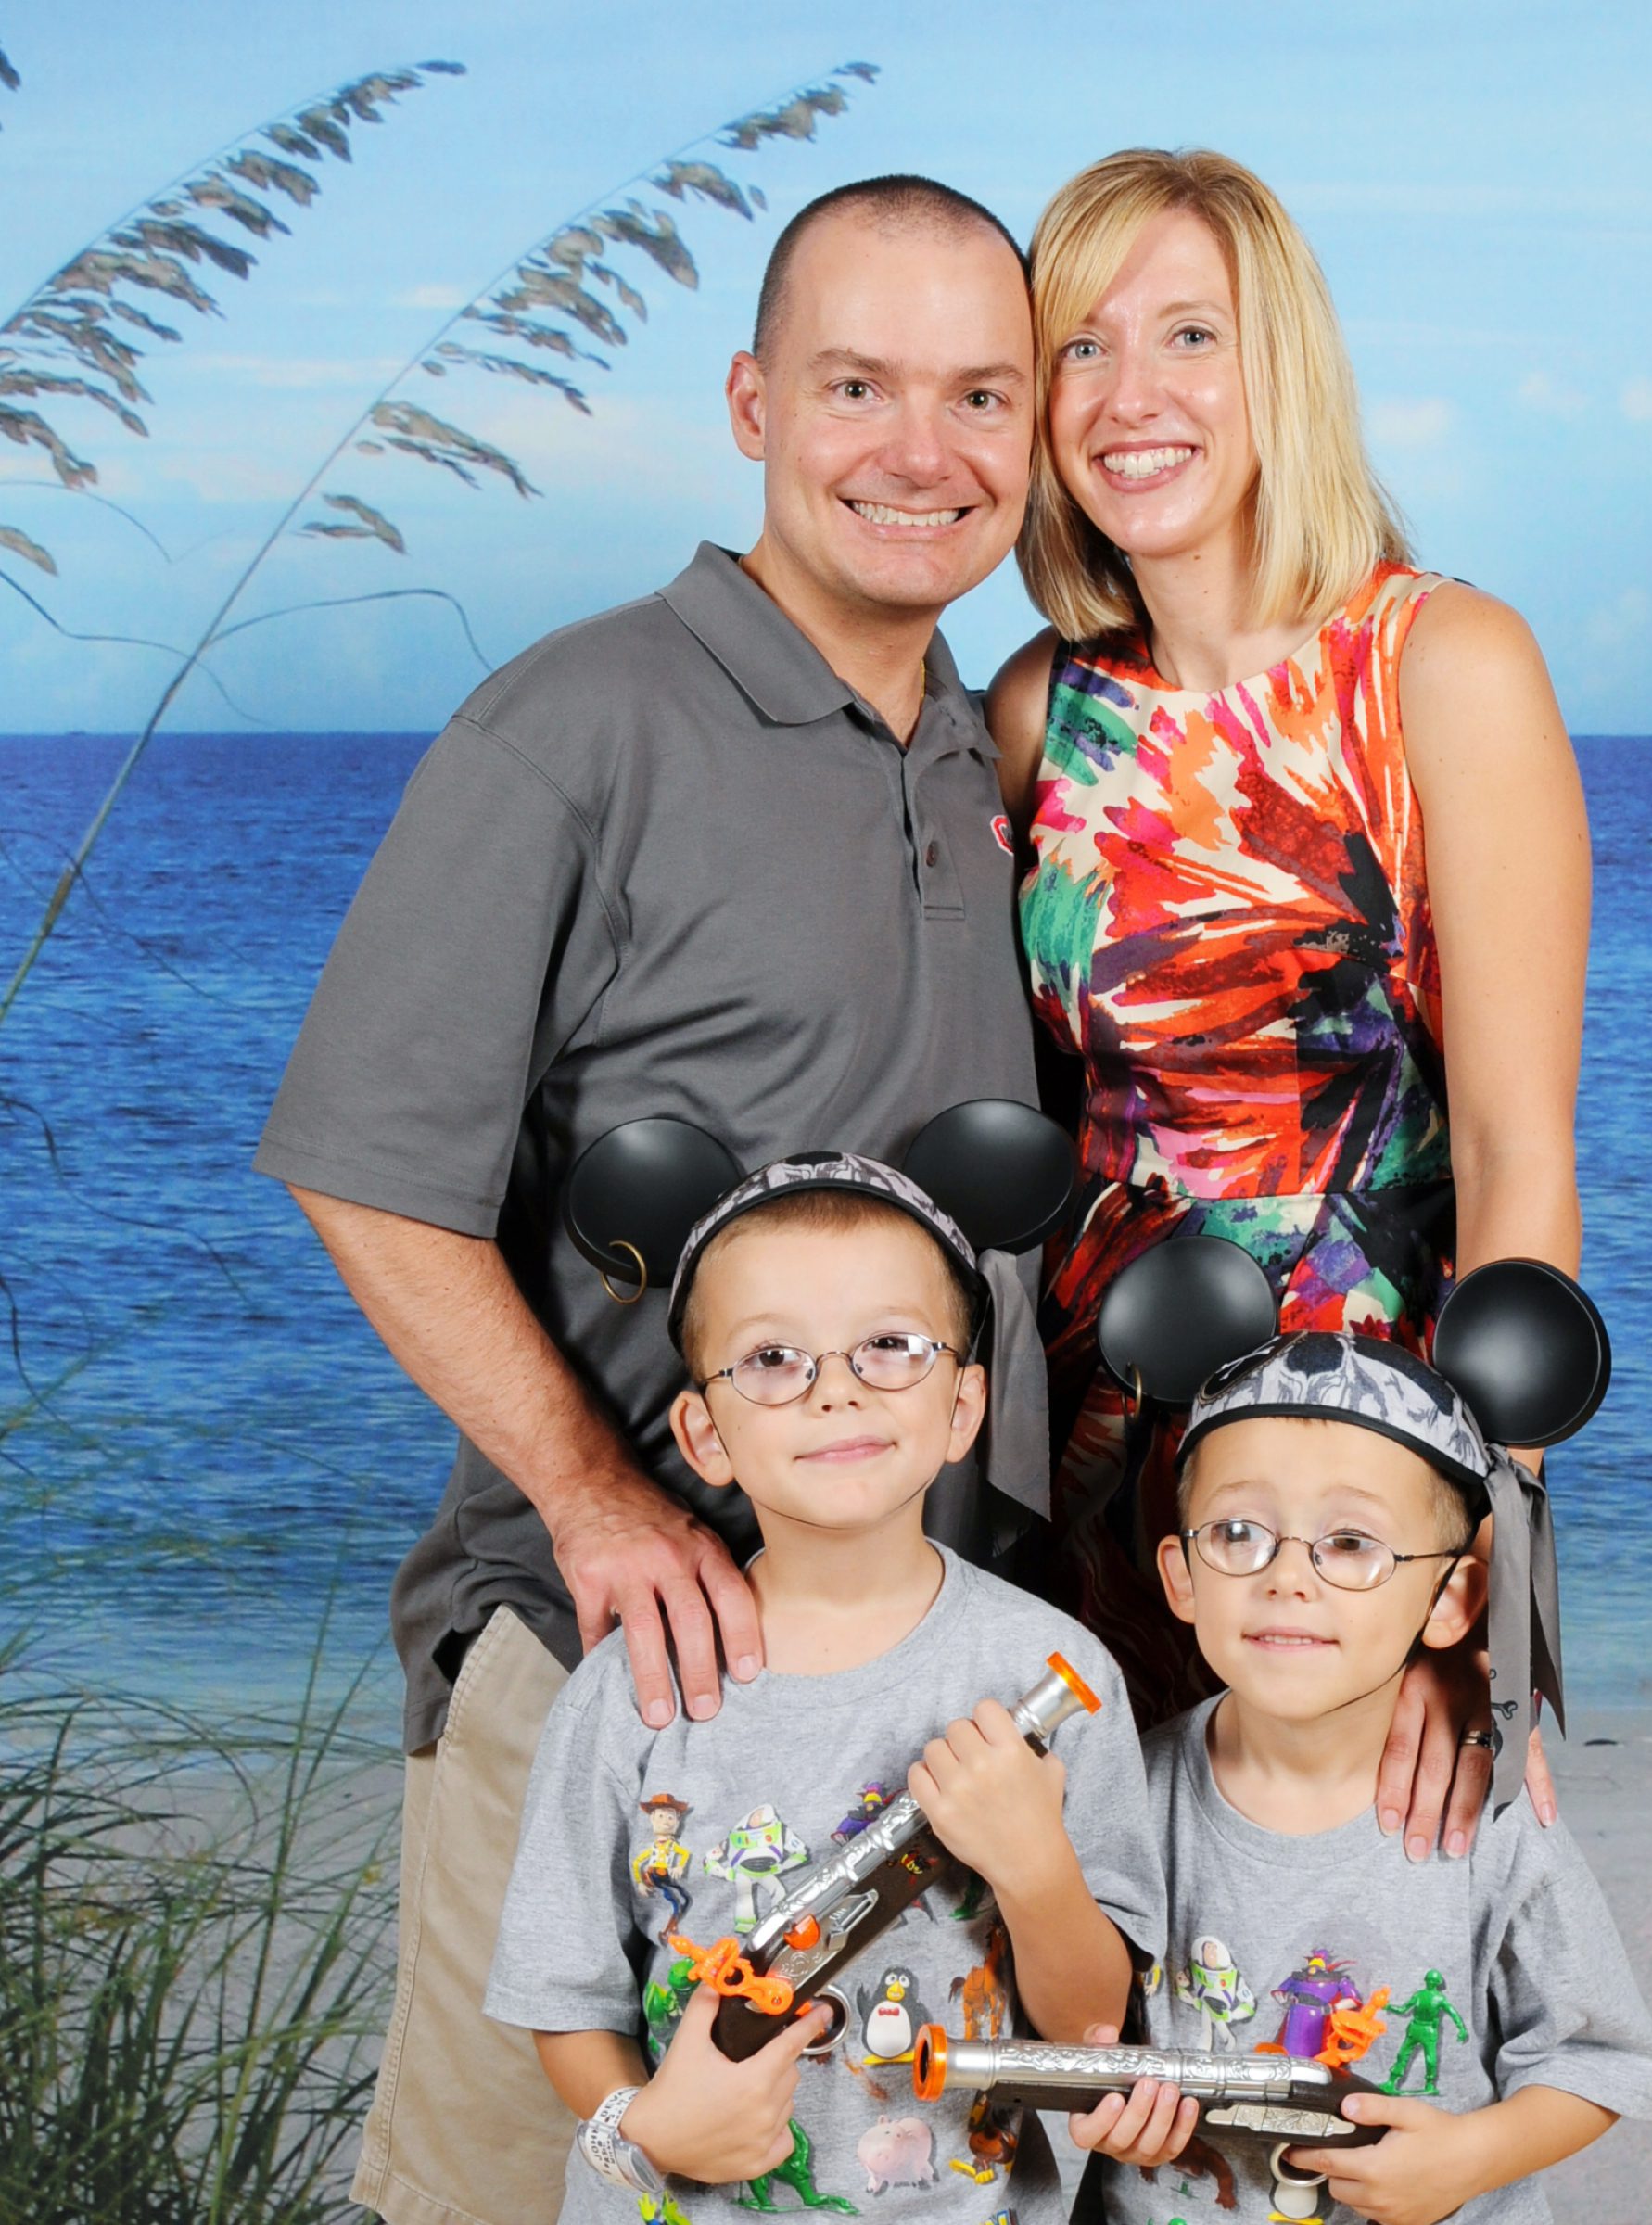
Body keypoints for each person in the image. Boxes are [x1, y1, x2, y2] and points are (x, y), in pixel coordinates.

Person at [252, 174, 1045, 2225]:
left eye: (979, 395)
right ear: (752, 403)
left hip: (912, 1697)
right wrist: (597, 1502)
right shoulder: (577, 724)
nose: (921, 451)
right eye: (856, 386)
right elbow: (366, 1169)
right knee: (519, 2194)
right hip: (618, 1672)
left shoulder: (978, 751)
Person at [987, 148, 1591, 1784]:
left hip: (1364, 1478)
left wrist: (1478, 1551)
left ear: (1282, 369)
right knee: (1101, 1930)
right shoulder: (1040, 706)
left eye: (1189, 335)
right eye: (1080, 346)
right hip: (1100, 1452)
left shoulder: (1439, 666)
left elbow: (1514, 1155)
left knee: (1367, 1917)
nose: (1129, 395)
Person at [484, 1150, 1165, 2225]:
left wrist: (1034, 1864)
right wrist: (649, 2125)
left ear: (963, 1407)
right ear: (705, 1433)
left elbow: (1090, 2035)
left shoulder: (1058, 1675)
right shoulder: (632, 1691)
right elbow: (564, 2000)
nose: (835, 1388)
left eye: (889, 1346)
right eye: (771, 1358)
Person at [1066, 1306, 1652, 2223]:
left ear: (1451, 1598)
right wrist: (1112, 2113)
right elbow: (1081, 2030)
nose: (1287, 1577)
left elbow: (1599, 2059)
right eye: (1238, 1533)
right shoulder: (1129, 1798)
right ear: (1181, 1576)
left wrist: (1470, 2157)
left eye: (1350, 1543)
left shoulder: (1487, 1819)